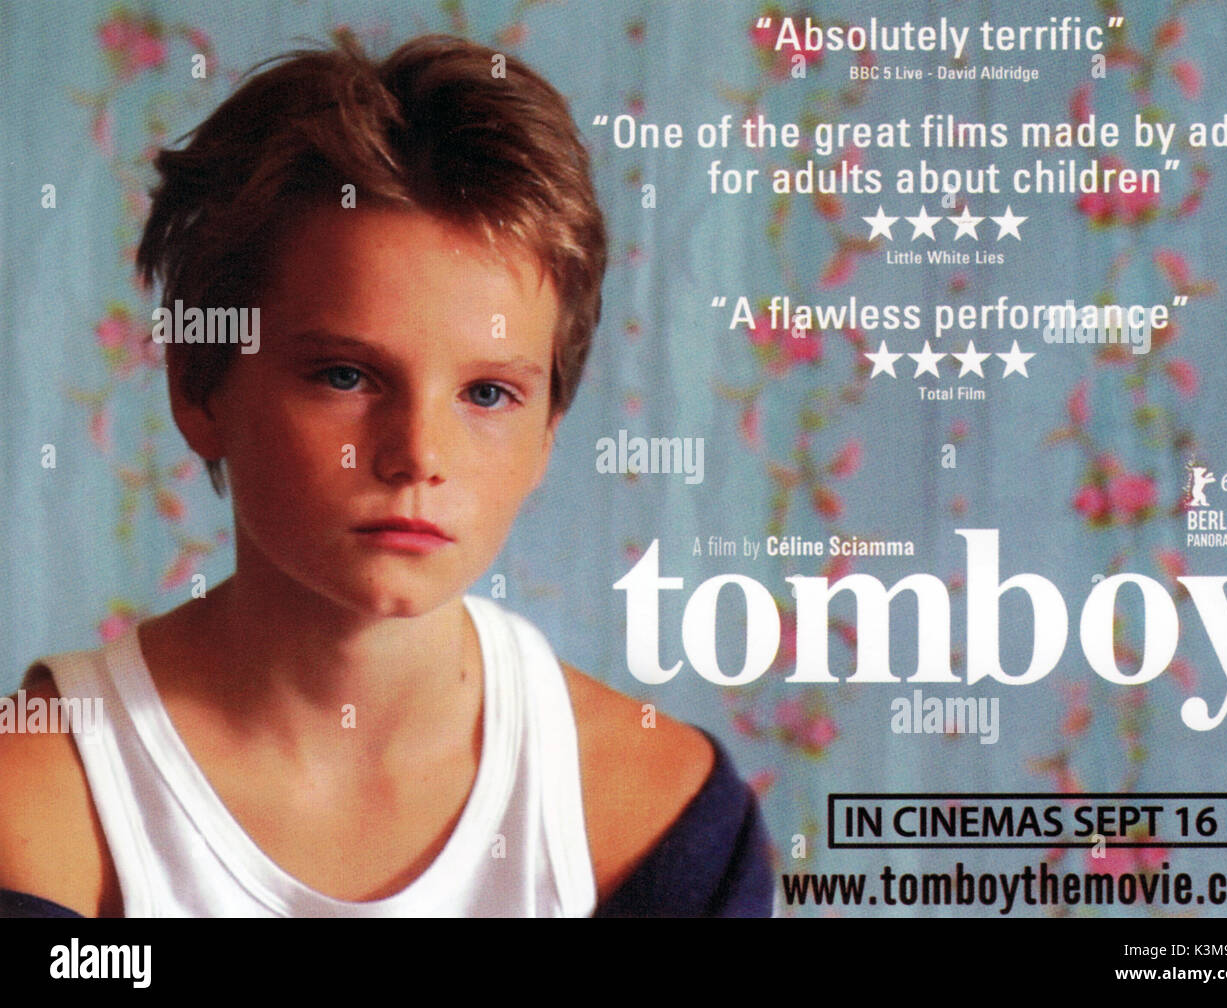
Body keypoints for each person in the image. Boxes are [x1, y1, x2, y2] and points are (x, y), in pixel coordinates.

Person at [0, 34, 772, 917]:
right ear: (199, 384)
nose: (419, 456)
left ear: (550, 429)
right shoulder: (38, 796)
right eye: (346, 376)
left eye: (488, 393)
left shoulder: (658, 818)